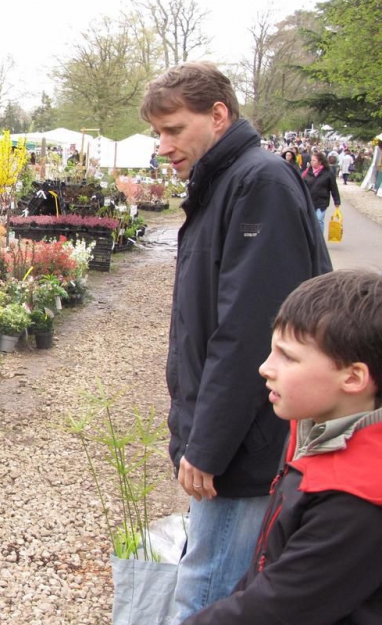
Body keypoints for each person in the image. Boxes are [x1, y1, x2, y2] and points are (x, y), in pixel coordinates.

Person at [139, 61, 332, 623]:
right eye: (158, 132)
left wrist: (209, 445)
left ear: (218, 115)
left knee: (209, 593)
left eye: (174, 129)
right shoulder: (225, 182)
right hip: (229, 437)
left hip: (245, 449)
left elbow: (252, 332)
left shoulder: (257, 184)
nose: (163, 144)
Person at [183, 269, 382, 625]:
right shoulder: (310, 429)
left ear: (353, 378)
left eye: (287, 357)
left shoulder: (357, 502)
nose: (265, 368)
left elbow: (276, 608)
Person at [301, 150, 341, 234]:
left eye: (314, 160)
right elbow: (301, 186)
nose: (311, 162)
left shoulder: (328, 173)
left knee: (319, 219)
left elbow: (334, 188)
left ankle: (320, 240)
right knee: (310, 221)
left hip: (322, 201)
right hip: (309, 201)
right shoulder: (307, 173)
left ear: (320, 162)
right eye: (311, 160)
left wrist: (337, 201)